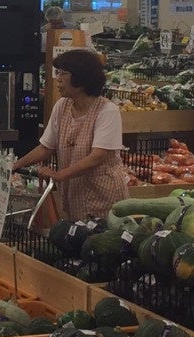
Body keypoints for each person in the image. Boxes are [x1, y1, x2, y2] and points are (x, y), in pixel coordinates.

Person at [12, 49, 129, 220]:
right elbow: (46, 147)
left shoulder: (107, 111)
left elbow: (98, 156)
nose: (58, 79)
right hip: (75, 192)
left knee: (102, 235)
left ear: (81, 77)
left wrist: (59, 175)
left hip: (104, 194)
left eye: (63, 73)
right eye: (57, 73)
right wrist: (15, 165)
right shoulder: (62, 106)